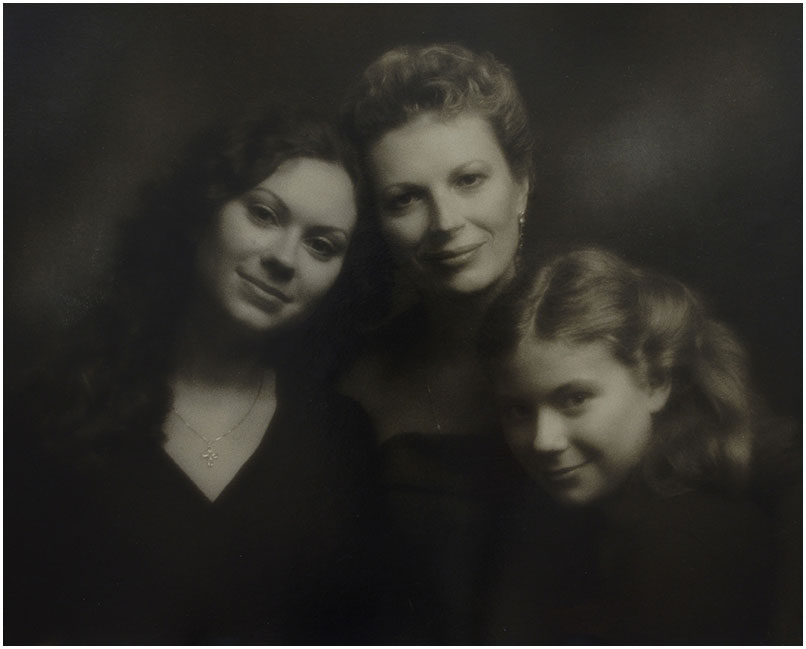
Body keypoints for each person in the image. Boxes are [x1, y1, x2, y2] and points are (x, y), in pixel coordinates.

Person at [5, 110, 386, 644]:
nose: (284, 259)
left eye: (321, 245)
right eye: (264, 214)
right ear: (202, 210)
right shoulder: (57, 399)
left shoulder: (342, 442)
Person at [478, 246, 800, 644]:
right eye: (518, 410)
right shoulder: (564, 511)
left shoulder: (681, 544)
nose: (544, 440)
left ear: (655, 382)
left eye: (575, 399)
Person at [338, 43, 535, 642]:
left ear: (522, 186)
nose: (445, 222)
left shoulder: (615, 337)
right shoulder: (353, 379)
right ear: (378, 221)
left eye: (469, 180)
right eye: (406, 199)